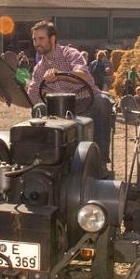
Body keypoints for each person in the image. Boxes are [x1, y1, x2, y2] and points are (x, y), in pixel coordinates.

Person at [26, 21, 114, 173]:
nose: (37, 43)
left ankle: (100, 161)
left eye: (41, 39)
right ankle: (45, 161)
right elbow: (31, 97)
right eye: (34, 39)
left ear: (52, 39)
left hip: (86, 101)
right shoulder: (39, 69)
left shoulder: (70, 54)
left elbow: (84, 76)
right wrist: (11, 95)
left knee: (102, 102)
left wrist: (60, 75)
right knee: (39, 109)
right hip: (58, 108)